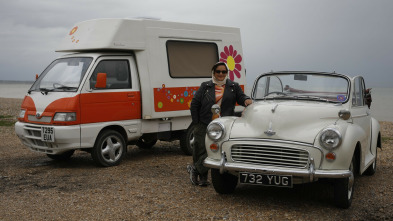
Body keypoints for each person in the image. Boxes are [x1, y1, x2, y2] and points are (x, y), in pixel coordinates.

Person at [187, 62, 252, 186]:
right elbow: (194, 104)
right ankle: (203, 178)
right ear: (213, 72)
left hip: (223, 126)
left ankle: (195, 169)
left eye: (224, 72)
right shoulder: (205, 86)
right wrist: (196, 123)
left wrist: (246, 100)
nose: (221, 74)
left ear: (227, 73)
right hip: (204, 123)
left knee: (214, 150)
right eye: (218, 71)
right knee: (200, 149)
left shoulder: (233, 86)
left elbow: (241, 97)